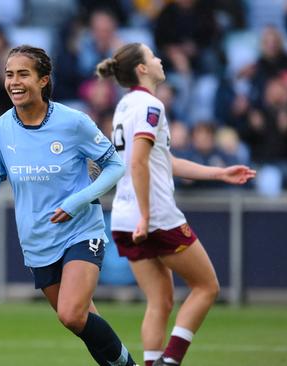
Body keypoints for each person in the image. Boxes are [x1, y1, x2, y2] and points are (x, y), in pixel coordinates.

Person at [0, 45, 138, 366]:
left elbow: (115, 166)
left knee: (71, 314)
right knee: (83, 320)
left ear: (44, 80)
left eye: (23, 74)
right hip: (37, 242)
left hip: (81, 230)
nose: (14, 82)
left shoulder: (73, 122)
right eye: (9, 74)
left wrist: (77, 201)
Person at [97, 43, 255, 366]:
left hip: (124, 217)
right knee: (207, 286)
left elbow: (162, 161)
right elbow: (139, 163)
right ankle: (171, 361)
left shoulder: (125, 106)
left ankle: (153, 363)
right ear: (142, 69)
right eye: (152, 56)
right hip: (154, 215)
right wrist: (146, 215)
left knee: (161, 300)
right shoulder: (151, 105)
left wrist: (219, 173)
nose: (159, 59)